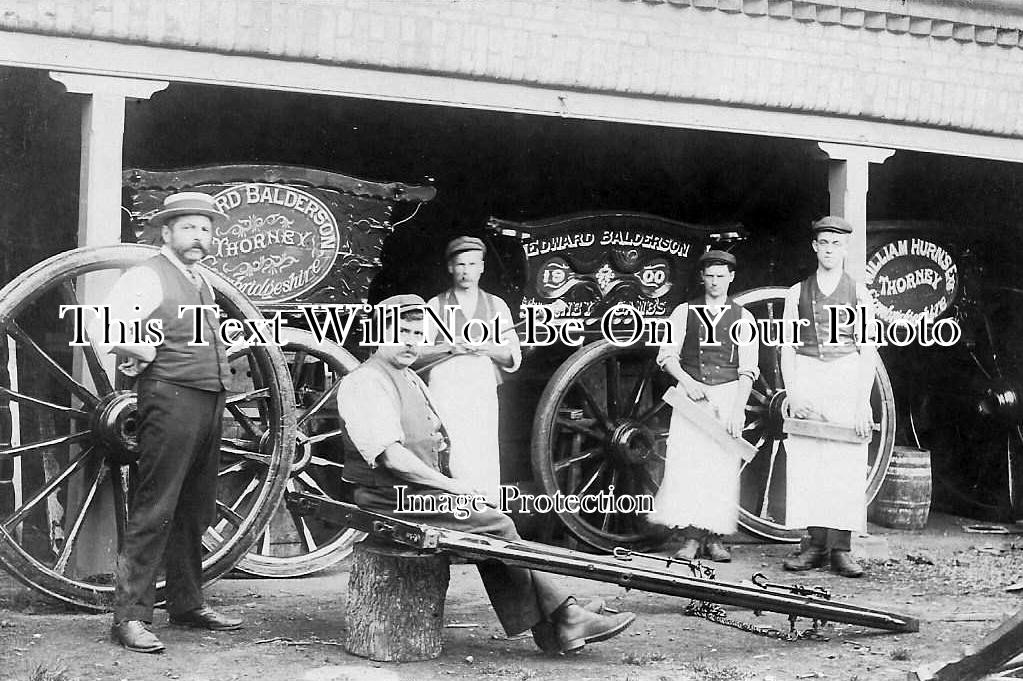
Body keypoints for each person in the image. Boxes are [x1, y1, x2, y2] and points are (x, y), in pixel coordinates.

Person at [337, 295, 635, 654]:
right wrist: (453, 487)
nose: (412, 341)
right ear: (376, 334)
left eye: (419, 333)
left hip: (415, 493)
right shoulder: (365, 382)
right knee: (495, 524)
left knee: (488, 531)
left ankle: (559, 623)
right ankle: (566, 615)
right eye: (402, 332)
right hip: (388, 498)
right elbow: (393, 459)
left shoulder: (409, 378)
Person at [91, 192, 242, 653]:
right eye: (190, 228)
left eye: (205, 229)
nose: (199, 237)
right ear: (167, 232)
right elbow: (103, 325)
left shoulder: (202, 282)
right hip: (171, 399)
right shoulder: (147, 274)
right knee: (155, 507)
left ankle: (187, 603)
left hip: (208, 400)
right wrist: (143, 351)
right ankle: (130, 618)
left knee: (195, 507)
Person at [780, 215, 877, 578]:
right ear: (814, 247)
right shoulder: (796, 292)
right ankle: (815, 544)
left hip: (845, 376)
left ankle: (842, 549)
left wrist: (862, 400)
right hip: (808, 375)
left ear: (845, 249)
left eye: (837, 244)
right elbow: (787, 347)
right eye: (824, 243)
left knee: (845, 462)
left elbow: (868, 348)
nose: (830, 249)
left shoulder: (859, 293)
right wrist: (793, 392)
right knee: (810, 461)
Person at [647, 250, 759, 562]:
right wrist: (688, 381)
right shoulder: (684, 313)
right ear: (702, 277)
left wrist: (739, 409)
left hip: (726, 397)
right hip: (690, 395)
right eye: (710, 276)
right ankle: (691, 539)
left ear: (731, 277)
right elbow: (666, 354)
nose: (715, 282)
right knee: (688, 465)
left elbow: (748, 369)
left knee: (720, 468)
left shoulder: (743, 318)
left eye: (721, 276)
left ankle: (716, 539)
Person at [420, 236, 520, 499]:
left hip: (481, 389)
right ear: (451, 268)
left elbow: (512, 355)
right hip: (445, 389)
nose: (466, 270)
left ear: (482, 267)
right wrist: (451, 347)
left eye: (472, 264)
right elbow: (416, 352)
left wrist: (486, 347)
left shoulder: (496, 305)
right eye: (460, 264)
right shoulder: (435, 305)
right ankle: (450, 511)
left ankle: (485, 510)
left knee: (482, 448)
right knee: (450, 447)